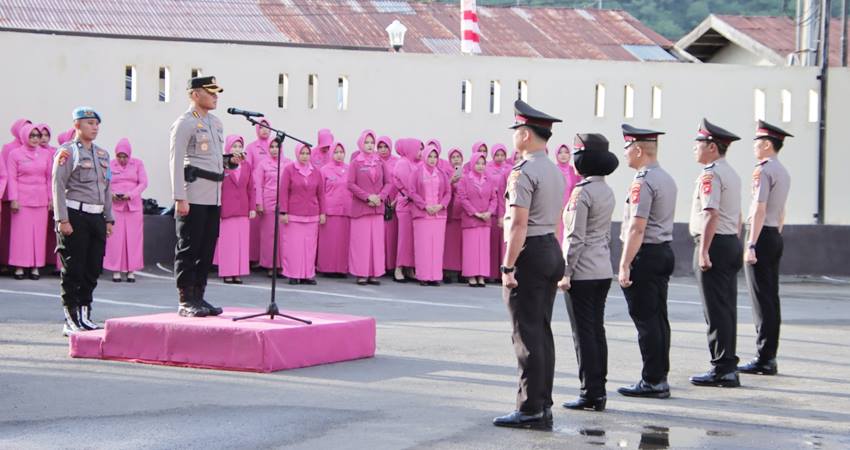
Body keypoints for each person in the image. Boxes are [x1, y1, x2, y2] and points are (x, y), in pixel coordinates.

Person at [493, 100, 565, 430]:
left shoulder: (523, 171)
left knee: (526, 334)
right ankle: (543, 403)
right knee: (542, 331)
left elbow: (518, 224)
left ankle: (530, 407)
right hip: (550, 246)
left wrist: (508, 267)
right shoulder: (553, 169)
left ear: (524, 134)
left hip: (531, 251)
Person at [558, 133, 619, 412]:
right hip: (602, 269)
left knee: (583, 334)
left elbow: (574, 237)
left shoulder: (581, 192)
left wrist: (566, 271)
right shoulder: (606, 190)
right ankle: (599, 389)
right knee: (597, 330)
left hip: (582, 271)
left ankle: (590, 393)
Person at [616, 124, 677, 399]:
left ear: (638, 149)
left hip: (647, 253)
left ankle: (653, 380)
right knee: (658, 318)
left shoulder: (643, 181)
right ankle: (659, 375)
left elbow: (637, 227)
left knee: (647, 321)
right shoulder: (666, 177)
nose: (625, 153)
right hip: (662, 249)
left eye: (627, 147)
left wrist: (625, 263)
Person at [169, 76, 236, 317]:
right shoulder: (185, 123)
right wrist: (179, 197)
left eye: (217, 92)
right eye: (211, 92)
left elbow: (213, 159)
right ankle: (186, 299)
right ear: (195, 94)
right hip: (193, 193)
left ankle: (199, 295)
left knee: (206, 249)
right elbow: (176, 161)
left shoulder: (216, 123)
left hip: (213, 195)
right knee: (189, 248)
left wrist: (230, 161)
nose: (216, 96)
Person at [688, 119, 744, 388]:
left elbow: (711, 213)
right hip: (729, 240)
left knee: (715, 309)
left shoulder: (711, 174)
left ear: (711, 147)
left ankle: (722, 368)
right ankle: (727, 364)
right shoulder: (731, 172)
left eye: (698, 143)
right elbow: (739, 214)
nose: (694, 148)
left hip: (715, 243)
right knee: (726, 307)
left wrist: (704, 251)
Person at [52, 107, 114, 335]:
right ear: (77, 125)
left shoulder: (102, 155)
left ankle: (85, 314)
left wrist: (109, 218)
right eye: (89, 123)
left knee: (92, 267)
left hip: (96, 216)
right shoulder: (68, 152)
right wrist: (62, 219)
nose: (94, 127)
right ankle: (71, 318)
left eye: (97, 124)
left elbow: (107, 188)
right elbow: (57, 186)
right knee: (73, 269)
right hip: (75, 215)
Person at [738, 120, 793, 376]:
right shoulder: (782, 171)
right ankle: (769, 354)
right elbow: (781, 211)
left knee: (761, 300)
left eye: (757, 143)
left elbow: (759, 208)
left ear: (768, 144)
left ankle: (764, 358)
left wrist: (751, 243)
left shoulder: (763, 170)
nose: (754, 148)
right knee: (771, 298)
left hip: (761, 235)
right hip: (774, 234)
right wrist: (773, 235)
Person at [347, 130, 394, 285]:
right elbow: (350, 184)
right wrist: (367, 197)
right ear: (361, 144)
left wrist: (380, 197)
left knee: (376, 243)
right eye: (366, 142)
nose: (369, 145)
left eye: (371, 142)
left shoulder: (380, 162)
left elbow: (388, 182)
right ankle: (361, 273)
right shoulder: (355, 162)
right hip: (361, 209)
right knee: (361, 243)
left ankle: (374, 273)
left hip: (377, 209)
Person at [8, 123, 52, 280]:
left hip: (40, 199)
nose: (35, 139)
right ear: (25, 136)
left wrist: (50, 198)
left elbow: (48, 178)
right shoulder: (15, 154)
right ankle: (19, 266)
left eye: (38, 136)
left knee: (38, 235)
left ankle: (35, 266)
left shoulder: (46, 155)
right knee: (21, 234)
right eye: (32, 135)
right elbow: (12, 178)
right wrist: (13, 199)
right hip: (22, 199)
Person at [104, 138, 149, 283]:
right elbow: (105, 183)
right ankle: (116, 270)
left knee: (133, 239)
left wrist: (130, 195)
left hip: (133, 206)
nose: (122, 159)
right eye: (119, 156)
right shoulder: (110, 165)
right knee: (115, 239)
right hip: (115, 206)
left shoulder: (137, 164)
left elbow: (143, 183)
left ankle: (131, 270)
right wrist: (111, 195)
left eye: (125, 156)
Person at [279, 143, 325, 285]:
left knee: (309, 247)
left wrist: (322, 213)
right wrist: (283, 211)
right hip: (293, 215)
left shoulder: (316, 172)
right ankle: (293, 274)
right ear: (297, 154)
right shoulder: (289, 170)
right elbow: (283, 192)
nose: (305, 156)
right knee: (294, 246)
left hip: (312, 215)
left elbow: (321, 194)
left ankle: (307, 274)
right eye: (302, 153)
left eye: (307, 153)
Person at [409, 143, 451, 286]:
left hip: (439, 215)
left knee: (437, 247)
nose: (433, 159)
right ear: (425, 156)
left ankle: (434, 276)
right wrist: (425, 206)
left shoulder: (441, 173)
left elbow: (448, 192)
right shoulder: (417, 172)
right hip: (422, 215)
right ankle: (423, 276)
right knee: (423, 246)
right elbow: (412, 192)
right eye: (430, 156)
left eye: (435, 156)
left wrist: (440, 205)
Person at [214, 135, 254, 284]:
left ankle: (238, 272)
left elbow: (251, 188)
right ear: (228, 148)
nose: (237, 149)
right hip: (226, 209)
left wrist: (252, 207)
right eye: (234, 146)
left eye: (239, 146)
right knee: (228, 243)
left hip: (243, 209)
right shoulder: (221, 165)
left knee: (241, 243)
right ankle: (227, 272)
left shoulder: (247, 166)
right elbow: (217, 188)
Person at [457, 152, 497, 287]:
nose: (480, 166)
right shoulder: (465, 180)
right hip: (471, 220)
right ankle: (471, 275)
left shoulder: (488, 180)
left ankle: (481, 275)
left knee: (483, 249)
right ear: (472, 164)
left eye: (483, 163)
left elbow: (494, 198)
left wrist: (489, 212)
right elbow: (463, 198)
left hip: (485, 219)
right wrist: (475, 213)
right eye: (478, 163)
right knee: (471, 249)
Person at [255, 136, 290, 277]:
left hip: (283, 203)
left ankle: (282, 265)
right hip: (268, 202)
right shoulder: (263, 164)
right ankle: (270, 265)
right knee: (269, 235)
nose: (274, 150)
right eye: (272, 147)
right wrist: (259, 203)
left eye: (277, 147)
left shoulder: (288, 163)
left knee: (283, 235)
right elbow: (258, 185)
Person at [1, 118, 32, 273]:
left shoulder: (33, 148)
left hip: (26, 197)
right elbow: (6, 173)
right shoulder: (9, 148)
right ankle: (5, 262)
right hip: (9, 195)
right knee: (8, 232)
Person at [392, 138, 423, 282]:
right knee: (404, 238)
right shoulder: (403, 164)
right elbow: (409, 185)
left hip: (414, 206)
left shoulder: (412, 163)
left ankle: (409, 268)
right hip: (405, 206)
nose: (420, 152)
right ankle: (399, 267)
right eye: (418, 149)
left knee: (412, 239)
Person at [317, 141, 351, 277]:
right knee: (328, 241)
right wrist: (321, 211)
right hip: (330, 211)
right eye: (336, 152)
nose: (339, 155)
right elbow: (320, 192)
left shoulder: (350, 169)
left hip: (346, 210)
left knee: (343, 241)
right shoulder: (324, 170)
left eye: (341, 152)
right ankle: (326, 268)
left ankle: (342, 268)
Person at [244, 117, 273, 267]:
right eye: (261, 127)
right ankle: (251, 258)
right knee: (254, 228)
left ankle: (265, 259)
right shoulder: (251, 148)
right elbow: (247, 169)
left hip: (271, 192)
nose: (265, 130)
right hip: (255, 190)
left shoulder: (274, 146)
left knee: (268, 230)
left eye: (267, 127)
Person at [377, 136, 400, 274]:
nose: (383, 150)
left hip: (393, 202)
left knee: (392, 235)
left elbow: (401, 182)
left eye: (385, 146)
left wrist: (396, 201)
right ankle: (380, 265)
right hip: (379, 202)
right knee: (380, 235)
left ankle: (390, 265)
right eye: (380, 147)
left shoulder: (397, 162)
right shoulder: (374, 161)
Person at [443, 148, 464, 282]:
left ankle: (461, 271)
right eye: (453, 157)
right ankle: (448, 271)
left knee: (460, 244)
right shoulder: (445, 174)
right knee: (449, 244)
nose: (456, 159)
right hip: (450, 212)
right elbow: (442, 190)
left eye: (458, 157)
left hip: (462, 213)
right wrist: (450, 182)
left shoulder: (467, 173)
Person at [555, 144, 582, 245]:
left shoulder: (574, 171)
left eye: (566, 152)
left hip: (570, 210)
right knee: (557, 237)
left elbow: (578, 191)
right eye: (560, 152)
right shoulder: (553, 170)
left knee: (568, 238)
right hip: (556, 211)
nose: (563, 155)